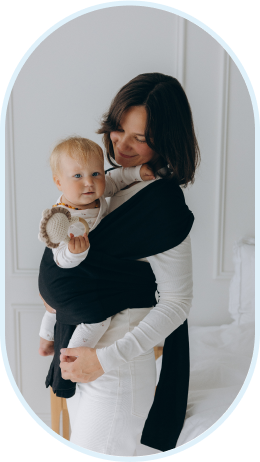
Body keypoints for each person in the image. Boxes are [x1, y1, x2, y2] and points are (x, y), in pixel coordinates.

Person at [40, 73, 200, 456]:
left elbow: (178, 302)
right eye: (117, 130)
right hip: (79, 352)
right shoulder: (106, 181)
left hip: (113, 368)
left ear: (165, 140)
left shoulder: (162, 205)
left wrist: (103, 359)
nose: (121, 145)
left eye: (139, 138)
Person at [38, 136, 155, 356]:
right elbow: (60, 258)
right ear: (59, 182)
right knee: (98, 319)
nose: (89, 182)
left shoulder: (95, 192)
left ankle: (46, 340)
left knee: (54, 310)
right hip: (60, 277)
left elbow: (116, 178)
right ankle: (73, 356)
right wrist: (74, 253)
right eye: (78, 176)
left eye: (95, 173)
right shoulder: (62, 219)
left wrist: (137, 173)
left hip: (67, 279)